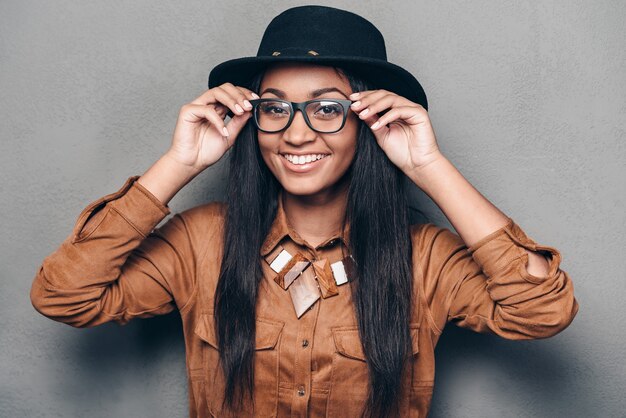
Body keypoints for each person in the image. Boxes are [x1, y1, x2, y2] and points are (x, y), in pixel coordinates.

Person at [29, 5, 579, 418]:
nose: (295, 132)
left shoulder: (425, 257)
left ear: (370, 116)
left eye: (327, 108)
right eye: (275, 108)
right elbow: (63, 295)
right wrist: (179, 163)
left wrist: (428, 164)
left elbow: (542, 311)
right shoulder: (202, 240)